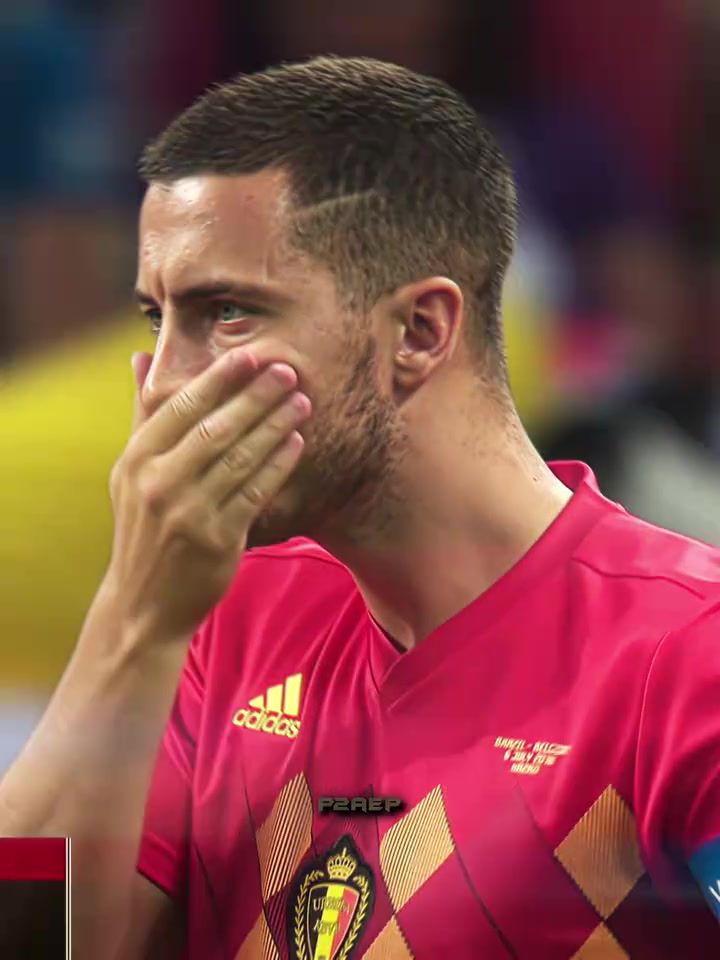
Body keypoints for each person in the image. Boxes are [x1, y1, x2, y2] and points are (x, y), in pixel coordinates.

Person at [1, 55, 720, 960]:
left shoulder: (685, 657)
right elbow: (40, 942)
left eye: (227, 313)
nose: (167, 384)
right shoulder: (220, 624)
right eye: (158, 320)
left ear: (419, 331)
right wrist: (131, 617)